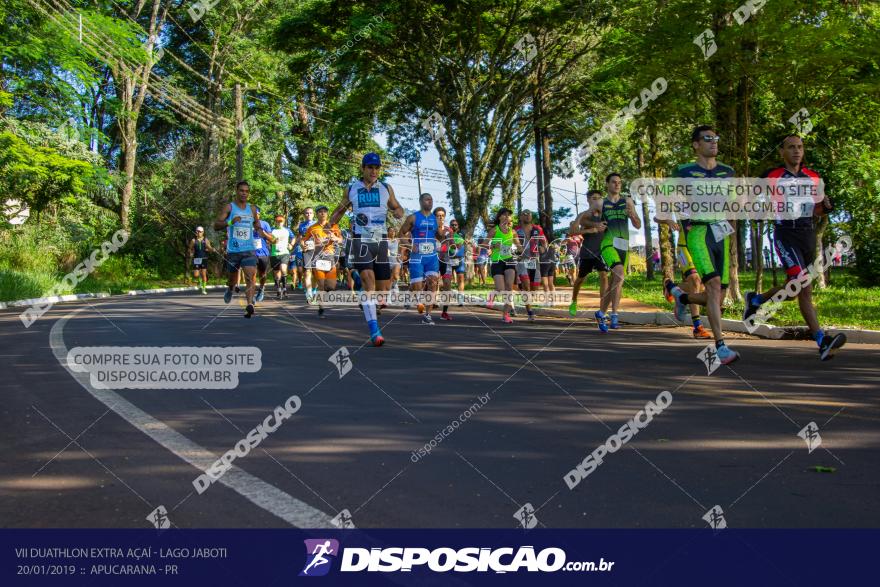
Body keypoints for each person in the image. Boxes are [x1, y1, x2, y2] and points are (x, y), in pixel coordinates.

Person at [742, 134, 845, 360]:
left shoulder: (813, 177)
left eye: (800, 147)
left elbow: (817, 209)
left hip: (807, 233)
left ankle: (756, 300)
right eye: (791, 147)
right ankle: (821, 339)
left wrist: (826, 207)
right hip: (785, 233)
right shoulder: (772, 176)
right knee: (800, 285)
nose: (797, 151)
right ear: (782, 152)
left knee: (795, 291)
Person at [664, 125, 740, 363]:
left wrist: (732, 222)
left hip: (720, 233)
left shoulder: (727, 172)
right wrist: (668, 215)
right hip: (696, 232)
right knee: (714, 284)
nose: (713, 142)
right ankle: (721, 347)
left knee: (718, 296)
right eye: (708, 139)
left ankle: (681, 296)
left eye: (716, 138)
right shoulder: (683, 171)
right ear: (696, 145)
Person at [329, 153, 405, 345]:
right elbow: (339, 210)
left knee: (382, 290)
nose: (374, 171)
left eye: (377, 167)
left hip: (380, 241)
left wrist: (397, 212)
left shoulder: (386, 188)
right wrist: (330, 226)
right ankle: (375, 331)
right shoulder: (352, 188)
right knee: (368, 280)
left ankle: (357, 278)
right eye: (370, 167)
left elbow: (398, 208)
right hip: (360, 239)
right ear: (363, 168)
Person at [213, 181, 273, 318]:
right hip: (234, 250)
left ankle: (250, 304)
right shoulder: (229, 207)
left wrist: (267, 236)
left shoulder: (252, 209)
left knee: (250, 277)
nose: (244, 193)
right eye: (241, 190)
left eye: (246, 191)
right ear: (236, 191)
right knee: (232, 279)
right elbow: (216, 225)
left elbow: (257, 226)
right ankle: (230, 288)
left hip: (249, 250)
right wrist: (230, 222)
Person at [592, 173, 641, 329]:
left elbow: (638, 225)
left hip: (623, 246)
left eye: (619, 182)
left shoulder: (627, 201)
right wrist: (595, 227)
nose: (617, 185)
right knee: (620, 273)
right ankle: (614, 314)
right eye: (614, 182)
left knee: (615, 280)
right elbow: (584, 218)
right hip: (608, 243)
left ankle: (601, 313)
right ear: (607, 184)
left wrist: (632, 216)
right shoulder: (601, 203)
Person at [568, 190, 610, 331]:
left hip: (601, 252)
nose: (597, 201)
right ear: (588, 200)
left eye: (599, 198)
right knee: (580, 280)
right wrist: (588, 231)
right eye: (594, 198)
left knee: (604, 276)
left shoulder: (605, 215)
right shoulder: (585, 215)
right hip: (587, 252)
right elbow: (572, 232)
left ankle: (602, 311)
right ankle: (574, 301)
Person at [398, 193, 441, 325]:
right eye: (428, 200)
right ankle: (411, 295)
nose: (430, 202)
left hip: (432, 257)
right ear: (421, 202)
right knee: (417, 286)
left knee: (433, 284)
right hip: (417, 257)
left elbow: (439, 236)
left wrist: (447, 240)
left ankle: (427, 315)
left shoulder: (435, 219)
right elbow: (401, 233)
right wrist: (410, 245)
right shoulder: (413, 217)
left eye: (432, 200)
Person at [304, 206, 343, 318]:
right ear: (317, 214)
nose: (322, 213)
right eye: (320, 212)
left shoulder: (333, 226)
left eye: (324, 212)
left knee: (331, 286)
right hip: (318, 258)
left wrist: (335, 238)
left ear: (327, 214)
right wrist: (305, 246)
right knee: (321, 284)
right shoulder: (312, 228)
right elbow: (305, 241)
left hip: (330, 257)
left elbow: (341, 240)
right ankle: (321, 308)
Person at [487, 208, 522, 323]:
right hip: (497, 261)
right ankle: (492, 294)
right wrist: (492, 246)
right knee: (500, 289)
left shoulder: (513, 232)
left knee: (509, 289)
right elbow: (483, 244)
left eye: (509, 215)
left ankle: (505, 315)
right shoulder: (494, 230)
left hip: (509, 260)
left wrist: (522, 250)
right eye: (504, 215)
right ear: (499, 217)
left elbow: (519, 246)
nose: (507, 217)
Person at [514, 210, 546, 322]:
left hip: (534, 260)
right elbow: (510, 244)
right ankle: (530, 312)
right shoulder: (515, 230)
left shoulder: (537, 229)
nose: (528, 216)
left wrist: (543, 248)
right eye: (525, 214)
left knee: (534, 288)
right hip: (521, 260)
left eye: (529, 214)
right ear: (520, 217)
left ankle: (523, 293)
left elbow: (544, 243)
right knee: (526, 285)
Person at [292, 208, 316, 297]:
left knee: (315, 273)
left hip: (317, 251)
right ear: (304, 215)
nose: (308, 214)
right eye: (306, 213)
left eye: (310, 213)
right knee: (307, 271)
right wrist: (301, 245)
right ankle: (309, 292)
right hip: (307, 250)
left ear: (313, 214)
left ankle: (314, 289)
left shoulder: (317, 224)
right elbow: (301, 237)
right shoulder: (302, 225)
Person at [270, 215, 294, 299]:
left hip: (285, 253)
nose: (279, 223)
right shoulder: (272, 230)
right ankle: (278, 289)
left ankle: (284, 288)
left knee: (283, 269)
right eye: (277, 221)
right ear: (275, 222)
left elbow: (293, 237)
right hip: (274, 254)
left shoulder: (287, 230)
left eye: (281, 221)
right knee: (277, 275)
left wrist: (291, 244)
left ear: (283, 222)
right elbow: (267, 238)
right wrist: (271, 242)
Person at [187, 226, 214, 294]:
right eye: (197, 231)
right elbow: (189, 248)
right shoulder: (193, 240)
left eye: (199, 231)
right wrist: (190, 253)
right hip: (196, 259)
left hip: (204, 258)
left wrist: (212, 249)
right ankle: (200, 282)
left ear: (203, 232)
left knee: (203, 274)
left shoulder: (206, 240)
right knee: (196, 274)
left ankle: (203, 289)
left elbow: (209, 248)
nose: (198, 233)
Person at [253, 216, 273, 302]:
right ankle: (251, 294)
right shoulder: (246, 224)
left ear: (259, 214)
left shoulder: (265, 224)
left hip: (263, 253)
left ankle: (261, 288)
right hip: (250, 253)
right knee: (251, 274)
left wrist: (263, 232)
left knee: (262, 274)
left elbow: (272, 239)